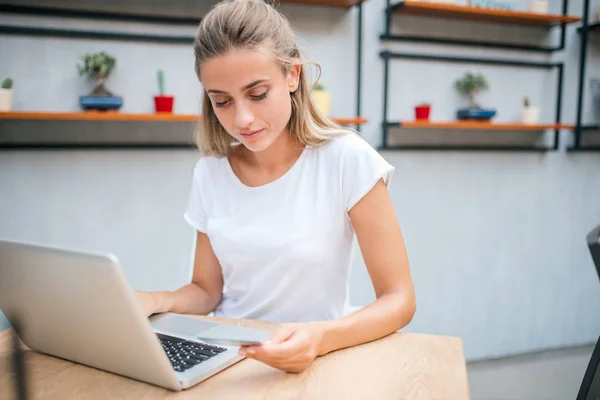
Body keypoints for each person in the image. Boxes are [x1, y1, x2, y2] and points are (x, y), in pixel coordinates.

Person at [136, 0, 415, 374]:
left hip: (315, 359)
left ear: (292, 75)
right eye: (222, 101)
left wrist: (320, 339)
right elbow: (206, 290)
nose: (243, 119)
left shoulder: (347, 160)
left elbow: (399, 298)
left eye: (257, 94)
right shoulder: (210, 172)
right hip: (228, 360)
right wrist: (151, 300)